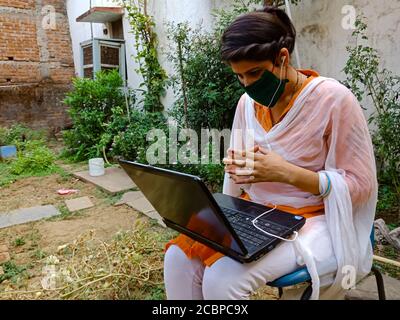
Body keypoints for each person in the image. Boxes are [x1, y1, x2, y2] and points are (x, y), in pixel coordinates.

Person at [163, 6, 378, 300]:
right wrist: (234, 182)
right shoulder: (246, 105)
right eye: (239, 77)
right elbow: (239, 173)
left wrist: (287, 173)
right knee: (177, 258)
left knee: (221, 281)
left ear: (282, 58)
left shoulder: (333, 100)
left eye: (254, 73)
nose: (248, 86)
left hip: (315, 218)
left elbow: (361, 185)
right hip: (258, 212)